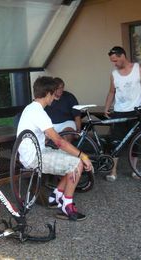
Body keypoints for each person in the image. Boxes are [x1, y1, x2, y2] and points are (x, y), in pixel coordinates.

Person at [17, 76, 93, 221]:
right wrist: (83, 156)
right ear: (47, 94)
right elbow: (59, 141)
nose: (55, 97)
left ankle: (56, 196)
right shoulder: (39, 112)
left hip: (35, 152)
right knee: (76, 162)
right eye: (53, 94)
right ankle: (67, 206)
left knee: (70, 159)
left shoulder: (31, 108)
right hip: (34, 157)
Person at [103, 46, 141, 182]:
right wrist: (107, 107)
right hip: (119, 112)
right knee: (116, 142)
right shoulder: (114, 74)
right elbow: (112, 92)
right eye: (112, 61)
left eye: (115, 60)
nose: (114, 63)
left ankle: (135, 171)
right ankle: (113, 172)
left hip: (135, 112)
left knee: (135, 142)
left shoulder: (138, 69)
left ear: (122, 56)